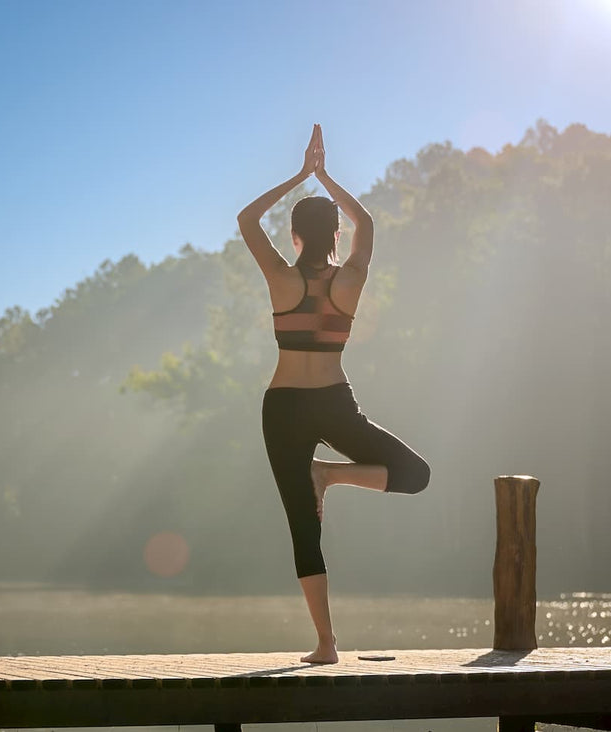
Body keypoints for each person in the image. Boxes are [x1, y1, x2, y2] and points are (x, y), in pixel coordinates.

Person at [238, 125, 431, 664]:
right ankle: (331, 476)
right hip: (332, 401)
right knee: (416, 475)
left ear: (295, 237)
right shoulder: (350, 280)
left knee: (303, 525)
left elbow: (246, 221)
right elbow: (367, 222)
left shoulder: (280, 277)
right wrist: (325, 176)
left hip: (282, 407)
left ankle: (327, 643)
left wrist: (300, 176)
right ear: (336, 237)